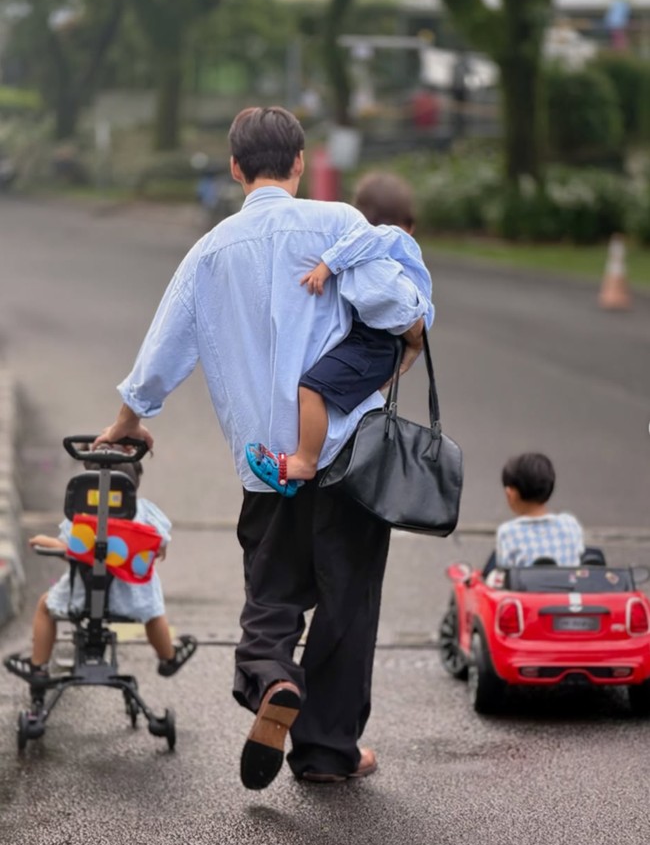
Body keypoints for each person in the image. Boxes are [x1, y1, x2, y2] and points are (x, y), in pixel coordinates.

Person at [93, 105, 433, 790]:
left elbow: (163, 350)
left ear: (235, 168)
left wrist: (129, 420)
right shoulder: (340, 226)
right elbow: (399, 312)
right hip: (350, 455)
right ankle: (326, 753)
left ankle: (273, 676)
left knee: (272, 596)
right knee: (348, 603)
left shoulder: (211, 250)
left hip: (267, 469)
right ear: (300, 163)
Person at [246, 171, 425, 494]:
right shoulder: (399, 258)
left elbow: (405, 312)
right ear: (410, 223)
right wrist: (415, 344)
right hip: (374, 344)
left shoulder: (381, 244)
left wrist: (327, 266)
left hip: (373, 346)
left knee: (311, 388)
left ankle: (305, 461)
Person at [3, 449, 197, 683]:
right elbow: (160, 545)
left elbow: (68, 551)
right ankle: (168, 656)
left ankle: (38, 666)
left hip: (82, 598)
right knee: (154, 612)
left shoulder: (80, 519)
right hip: (133, 599)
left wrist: (43, 541)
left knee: (45, 606)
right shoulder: (145, 513)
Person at [484, 453, 585, 575]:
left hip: (526, 592)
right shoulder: (570, 524)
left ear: (511, 494)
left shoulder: (508, 532)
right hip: (568, 591)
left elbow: (504, 575)